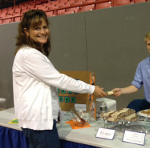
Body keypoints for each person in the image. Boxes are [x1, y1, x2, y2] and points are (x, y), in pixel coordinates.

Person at [12, 9, 107, 148]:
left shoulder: (28, 53)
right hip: (39, 124)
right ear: (26, 32)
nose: (43, 32)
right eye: (37, 28)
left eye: (45, 27)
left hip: (36, 122)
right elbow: (60, 80)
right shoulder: (29, 55)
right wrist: (91, 88)